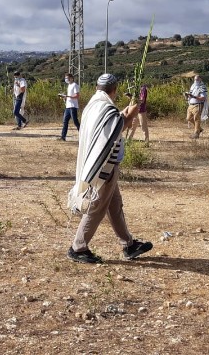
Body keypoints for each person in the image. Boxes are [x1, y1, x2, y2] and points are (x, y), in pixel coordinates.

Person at [66, 74, 153, 264]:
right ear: (114, 90)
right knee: (97, 207)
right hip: (104, 167)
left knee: (115, 206)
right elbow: (114, 129)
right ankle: (78, 247)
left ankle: (129, 244)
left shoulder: (94, 104)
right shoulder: (106, 107)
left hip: (103, 164)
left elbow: (110, 122)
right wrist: (132, 112)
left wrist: (126, 111)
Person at [184, 74, 209, 139]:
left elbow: (203, 98)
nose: (196, 80)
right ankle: (199, 129)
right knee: (188, 118)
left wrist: (194, 96)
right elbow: (191, 94)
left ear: (200, 79)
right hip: (191, 105)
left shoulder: (202, 87)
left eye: (197, 79)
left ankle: (196, 133)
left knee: (196, 119)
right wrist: (187, 95)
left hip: (198, 104)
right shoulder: (193, 86)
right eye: (195, 79)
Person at [58, 73, 80, 141]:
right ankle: (63, 137)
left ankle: (83, 134)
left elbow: (77, 96)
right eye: (65, 78)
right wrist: (65, 98)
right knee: (65, 121)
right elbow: (70, 96)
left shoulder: (75, 85)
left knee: (75, 121)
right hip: (68, 106)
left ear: (71, 78)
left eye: (67, 78)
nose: (66, 79)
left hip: (73, 106)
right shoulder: (69, 86)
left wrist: (67, 96)